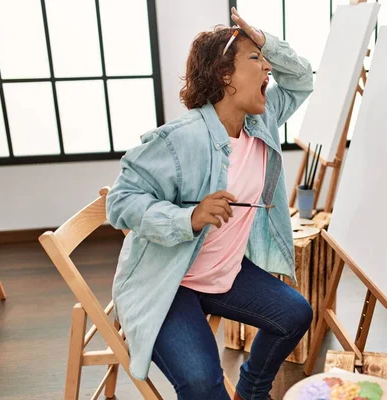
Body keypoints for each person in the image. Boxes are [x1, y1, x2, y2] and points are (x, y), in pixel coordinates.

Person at [106, 7, 314, 400]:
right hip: (171, 280)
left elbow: (302, 78)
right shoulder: (178, 139)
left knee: (294, 315)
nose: (268, 66)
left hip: (224, 273)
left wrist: (263, 40)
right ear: (224, 75)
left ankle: (252, 392)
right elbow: (121, 202)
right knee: (203, 383)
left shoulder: (262, 121)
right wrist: (188, 217)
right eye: (255, 59)